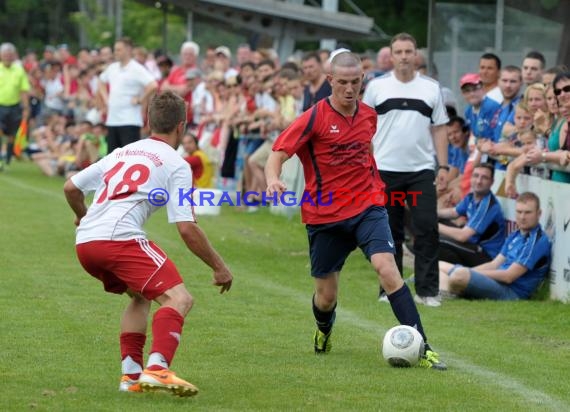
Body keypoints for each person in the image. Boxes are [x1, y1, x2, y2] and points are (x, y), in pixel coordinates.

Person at [265, 51, 446, 370]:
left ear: (363, 80)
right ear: (330, 80)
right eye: (343, 83)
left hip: (367, 206)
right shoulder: (314, 117)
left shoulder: (368, 115)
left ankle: (423, 347)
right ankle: (323, 330)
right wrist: (272, 179)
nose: (350, 89)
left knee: (387, 269)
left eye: (356, 82)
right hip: (325, 217)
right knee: (326, 297)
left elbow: (366, 151)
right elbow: (278, 152)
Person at [63, 91, 233, 396]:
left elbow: (71, 187)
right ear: (181, 127)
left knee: (141, 297)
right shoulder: (177, 164)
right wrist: (220, 267)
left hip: (86, 243)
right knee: (179, 299)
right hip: (118, 239)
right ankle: (157, 369)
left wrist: (83, 217)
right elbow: (186, 228)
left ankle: (130, 377)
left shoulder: (122, 152)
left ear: (147, 121)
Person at [362, 33, 450, 307]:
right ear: (391, 55)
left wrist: (443, 165)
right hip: (385, 169)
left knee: (426, 228)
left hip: (421, 170)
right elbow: (365, 130)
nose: (403, 56)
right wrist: (366, 166)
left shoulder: (430, 88)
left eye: (408, 51)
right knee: (389, 232)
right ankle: (390, 289)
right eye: (398, 51)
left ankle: (427, 291)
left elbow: (439, 128)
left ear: (415, 55)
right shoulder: (377, 87)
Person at [439, 192, 551, 300]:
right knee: (439, 265)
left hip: (511, 292)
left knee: (458, 274)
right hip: (496, 283)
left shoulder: (537, 240)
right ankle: (447, 291)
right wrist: (470, 272)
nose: (522, 217)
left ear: (539, 213)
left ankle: (447, 291)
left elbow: (508, 277)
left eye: (527, 212)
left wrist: (470, 273)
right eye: (519, 212)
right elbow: (494, 264)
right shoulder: (515, 235)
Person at [438, 163, 505, 268]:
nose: (478, 181)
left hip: (486, 257)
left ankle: (452, 275)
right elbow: (454, 212)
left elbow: (462, 236)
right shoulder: (471, 197)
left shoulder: (489, 206)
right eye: (476, 176)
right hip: (472, 246)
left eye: (484, 178)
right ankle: (435, 273)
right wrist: (430, 213)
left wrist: (433, 224)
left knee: (439, 240)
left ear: (492, 182)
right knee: (437, 224)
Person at [97, 37, 158, 153]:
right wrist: (106, 99)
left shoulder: (136, 68)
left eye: (119, 49)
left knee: (129, 157)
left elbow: (153, 85)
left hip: (130, 120)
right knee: (112, 158)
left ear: (128, 50)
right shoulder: (112, 67)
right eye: (115, 49)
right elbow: (101, 81)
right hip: (112, 120)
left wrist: (141, 99)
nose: (116, 52)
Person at [0, 42, 30, 170]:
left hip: (14, 106)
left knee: (12, 134)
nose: (7, 57)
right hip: (0, 105)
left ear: (13, 56)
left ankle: (8, 156)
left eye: (9, 55)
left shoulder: (19, 70)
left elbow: (23, 90)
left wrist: (26, 107)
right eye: (5, 54)